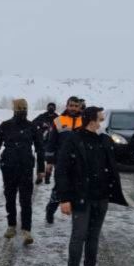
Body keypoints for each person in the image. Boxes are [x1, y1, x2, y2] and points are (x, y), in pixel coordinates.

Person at [56, 106, 134, 266]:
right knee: (78, 238)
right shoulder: (73, 140)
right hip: (81, 198)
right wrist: (64, 198)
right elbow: (62, 170)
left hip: (101, 198)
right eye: (100, 119)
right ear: (91, 120)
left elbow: (125, 153)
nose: (102, 123)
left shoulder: (104, 140)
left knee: (93, 238)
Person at [0, 99, 45, 245]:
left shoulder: (32, 126)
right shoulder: (5, 125)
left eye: (24, 108)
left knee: (26, 199)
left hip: (26, 166)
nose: (21, 110)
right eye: (19, 108)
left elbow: (40, 148)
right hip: (8, 165)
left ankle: (27, 229)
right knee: (10, 196)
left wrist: (40, 169)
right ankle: (11, 225)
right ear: (14, 109)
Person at [44, 96, 83, 224]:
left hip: (80, 162)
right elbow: (51, 142)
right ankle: (50, 210)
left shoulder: (84, 120)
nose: (73, 108)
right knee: (60, 188)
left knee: (79, 189)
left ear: (79, 107)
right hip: (62, 162)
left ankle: (78, 218)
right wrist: (49, 161)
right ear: (67, 106)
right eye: (71, 105)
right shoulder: (58, 120)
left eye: (76, 106)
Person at [32, 102, 58, 184]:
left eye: (52, 107)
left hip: (52, 142)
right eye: (49, 107)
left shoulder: (57, 117)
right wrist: (41, 125)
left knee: (50, 161)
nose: (51, 108)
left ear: (55, 108)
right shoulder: (42, 116)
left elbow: (61, 129)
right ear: (47, 108)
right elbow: (33, 123)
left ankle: (47, 177)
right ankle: (40, 177)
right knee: (40, 160)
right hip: (41, 141)